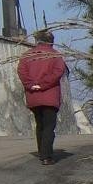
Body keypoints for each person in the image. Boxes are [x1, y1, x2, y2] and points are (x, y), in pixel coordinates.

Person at [17, 30, 67, 166]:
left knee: (40, 124)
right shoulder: (56, 55)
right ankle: (46, 156)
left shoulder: (26, 56)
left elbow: (21, 71)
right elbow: (58, 73)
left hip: (33, 96)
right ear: (51, 41)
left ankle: (41, 152)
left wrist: (32, 85)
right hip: (49, 95)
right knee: (49, 126)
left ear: (37, 40)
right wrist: (42, 85)